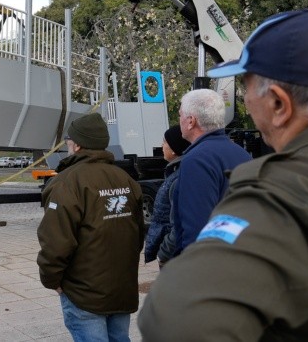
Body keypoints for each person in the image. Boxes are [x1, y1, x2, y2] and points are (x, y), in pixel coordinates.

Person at [138, 10, 308, 340]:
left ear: (279, 104)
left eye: (247, 88)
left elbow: (171, 318)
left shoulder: (277, 193)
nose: (246, 102)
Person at [37, 112, 144, 341]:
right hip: (121, 289)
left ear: (76, 145)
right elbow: (137, 236)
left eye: (68, 141)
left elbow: (56, 242)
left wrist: (51, 280)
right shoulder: (125, 179)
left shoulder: (67, 183)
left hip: (84, 294)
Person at [159, 88, 251, 264]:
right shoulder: (241, 154)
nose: (179, 122)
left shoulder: (196, 160)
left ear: (191, 121)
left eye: (180, 115)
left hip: (209, 269)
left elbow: (196, 228)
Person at [143, 125, 190, 267]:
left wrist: (164, 253)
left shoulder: (177, 179)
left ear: (174, 149)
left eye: (164, 142)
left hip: (175, 256)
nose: (161, 145)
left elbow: (180, 224)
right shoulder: (177, 172)